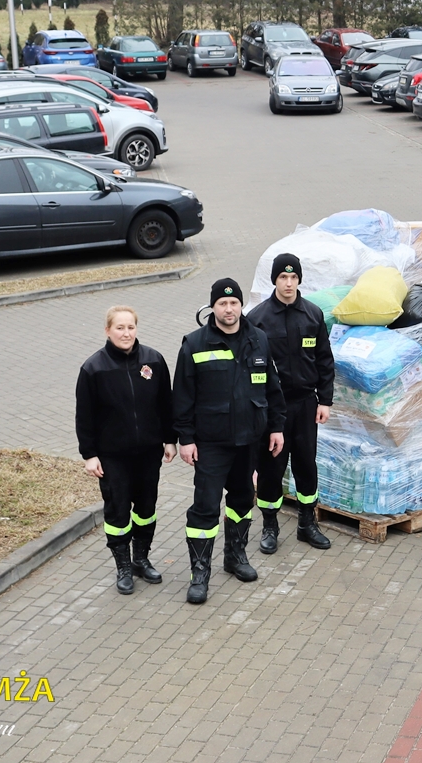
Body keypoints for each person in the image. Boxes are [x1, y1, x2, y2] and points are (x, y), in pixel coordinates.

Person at [174, 279, 286, 604]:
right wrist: (185, 438)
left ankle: (235, 557)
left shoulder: (258, 340)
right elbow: (181, 396)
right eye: (222, 304)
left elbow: (272, 388)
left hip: (248, 441)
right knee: (205, 509)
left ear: (240, 306)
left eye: (234, 303)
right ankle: (199, 573)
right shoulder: (194, 345)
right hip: (210, 443)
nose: (228, 309)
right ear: (213, 308)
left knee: (241, 502)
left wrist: (276, 427)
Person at [76, 306, 177, 595]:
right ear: (107, 330)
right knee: (118, 512)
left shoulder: (153, 360)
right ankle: (122, 566)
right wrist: (89, 454)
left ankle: (141, 559)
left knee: (146, 509)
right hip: (112, 457)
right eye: (119, 328)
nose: (126, 333)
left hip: (148, 453)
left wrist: (170, 440)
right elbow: (84, 416)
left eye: (130, 327)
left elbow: (165, 405)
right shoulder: (93, 368)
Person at [248, 254, 336, 555]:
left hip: (305, 405)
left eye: (293, 277)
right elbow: (248, 369)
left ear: (299, 279)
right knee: (271, 467)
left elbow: (325, 359)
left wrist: (325, 400)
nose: (288, 283)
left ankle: (307, 524)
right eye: (283, 278)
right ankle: (270, 527)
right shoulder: (258, 318)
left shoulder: (312, 314)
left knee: (306, 465)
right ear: (274, 279)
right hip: (273, 408)